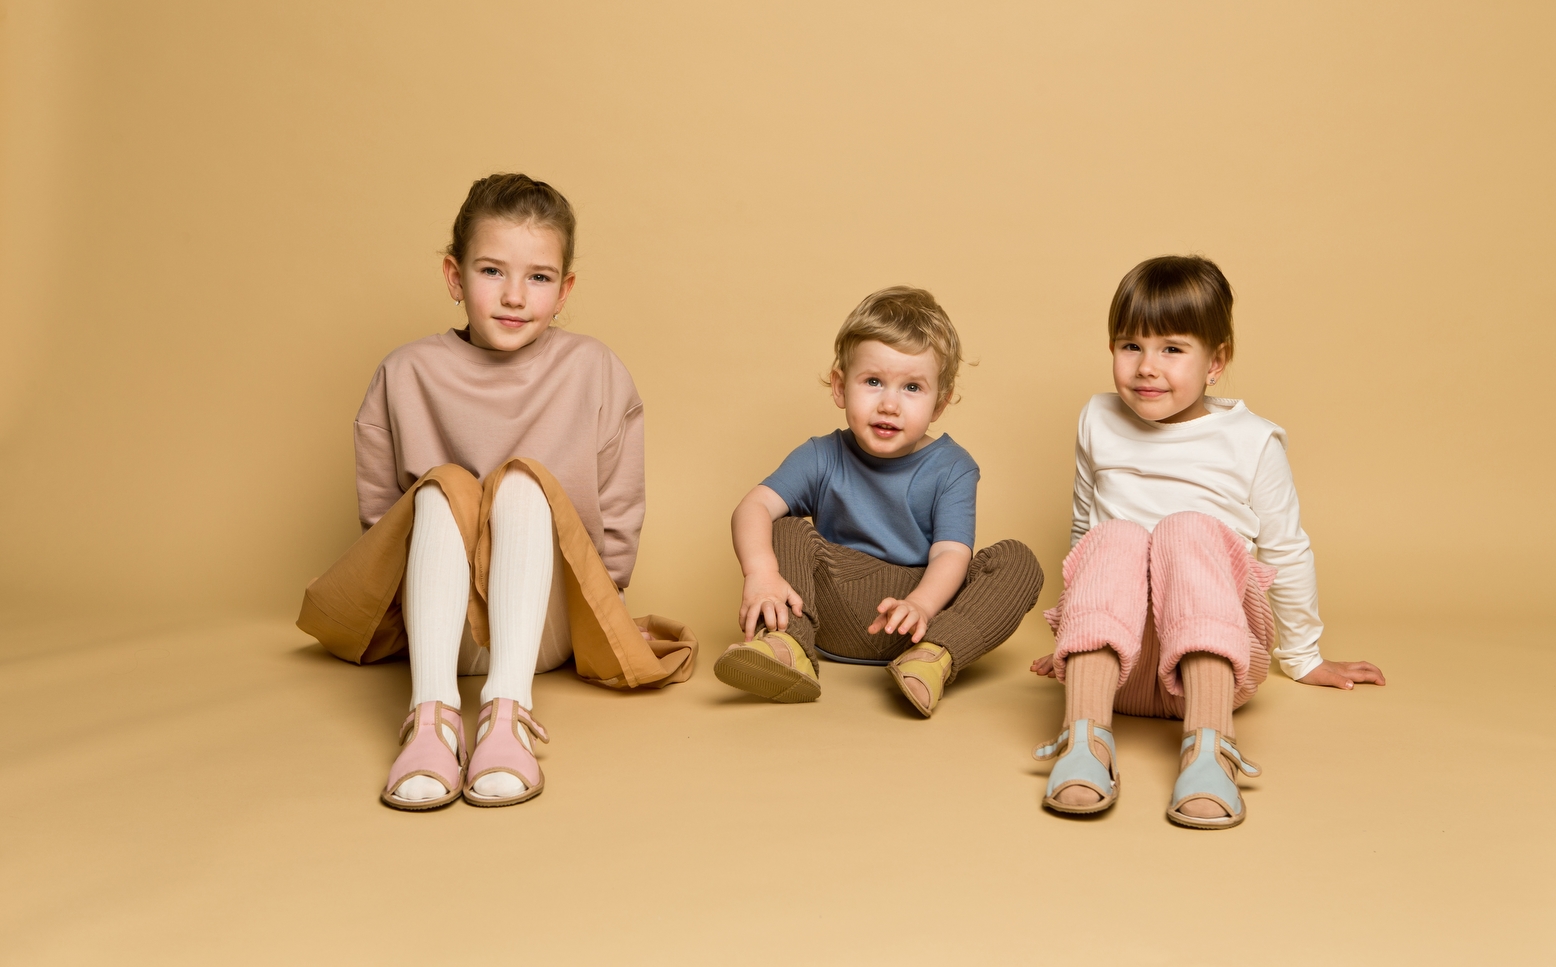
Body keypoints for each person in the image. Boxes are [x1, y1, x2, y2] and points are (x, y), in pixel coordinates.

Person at [297, 174, 695, 812]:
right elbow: (381, 528)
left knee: (521, 482)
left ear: (564, 290)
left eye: (538, 277)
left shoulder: (595, 370)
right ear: (455, 278)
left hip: (546, 628)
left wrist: (599, 603)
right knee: (444, 488)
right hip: (439, 627)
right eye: (492, 271)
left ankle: (506, 717)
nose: (514, 296)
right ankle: (431, 719)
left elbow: (617, 525)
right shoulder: (405, 373)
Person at [1033, 255, 1384, 828]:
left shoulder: (1251, 441)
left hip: (1213, 667)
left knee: (1187, 530)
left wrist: (1303, 656)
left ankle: (1209, 749)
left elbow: (1285, 551)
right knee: (1113, 536)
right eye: (1129, 346)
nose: (1147, 367)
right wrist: (1076, 638)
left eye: (1172, 349)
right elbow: (1083, 537)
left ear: (1215, 362)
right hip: (1118, 671)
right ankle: (1083, 743)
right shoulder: (1097, 418)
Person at [715, 286, 1043, 715]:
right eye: (873, 382)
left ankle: (933, 660)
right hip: (829, 607)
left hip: (918, 618)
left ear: (939, 404)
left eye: (912, 387)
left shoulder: (953, 466)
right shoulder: (821, 455)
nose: (889, 404)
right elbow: (751, 508)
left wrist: (922, 605)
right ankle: (788, 645)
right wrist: (760, 574)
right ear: (839, 387)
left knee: (1018, 561)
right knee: (781, 525)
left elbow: (950, 551)